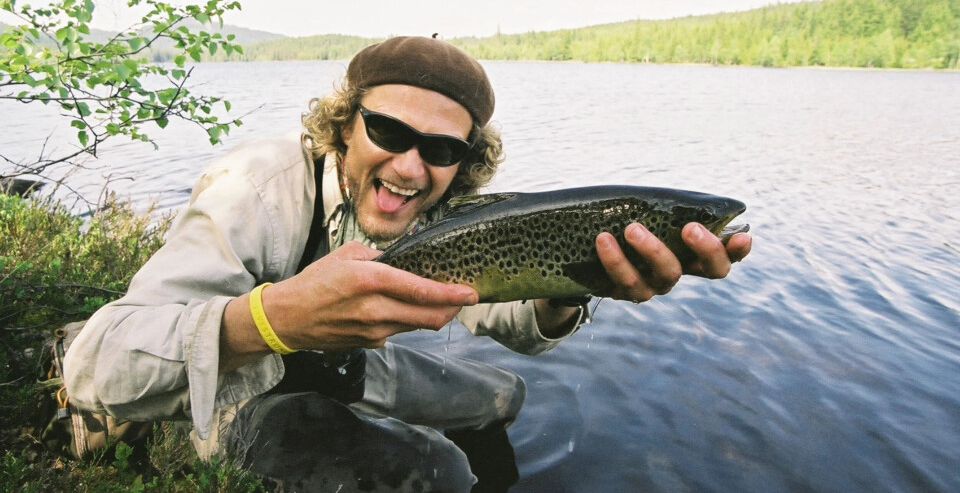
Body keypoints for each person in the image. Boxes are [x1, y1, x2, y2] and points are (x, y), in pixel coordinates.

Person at [63, 36, 751, 492]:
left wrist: (575, 286)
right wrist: (275, 321)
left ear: (464, 160)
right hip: (238, 383)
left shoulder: (441, 212)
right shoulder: (256, 187)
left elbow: (504, 307)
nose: (411, 166)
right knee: (435, 470)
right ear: (343, 125)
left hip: (346, 362)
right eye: (389, 133)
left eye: (442, 150)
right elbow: (95, 367)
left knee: (505, 396)